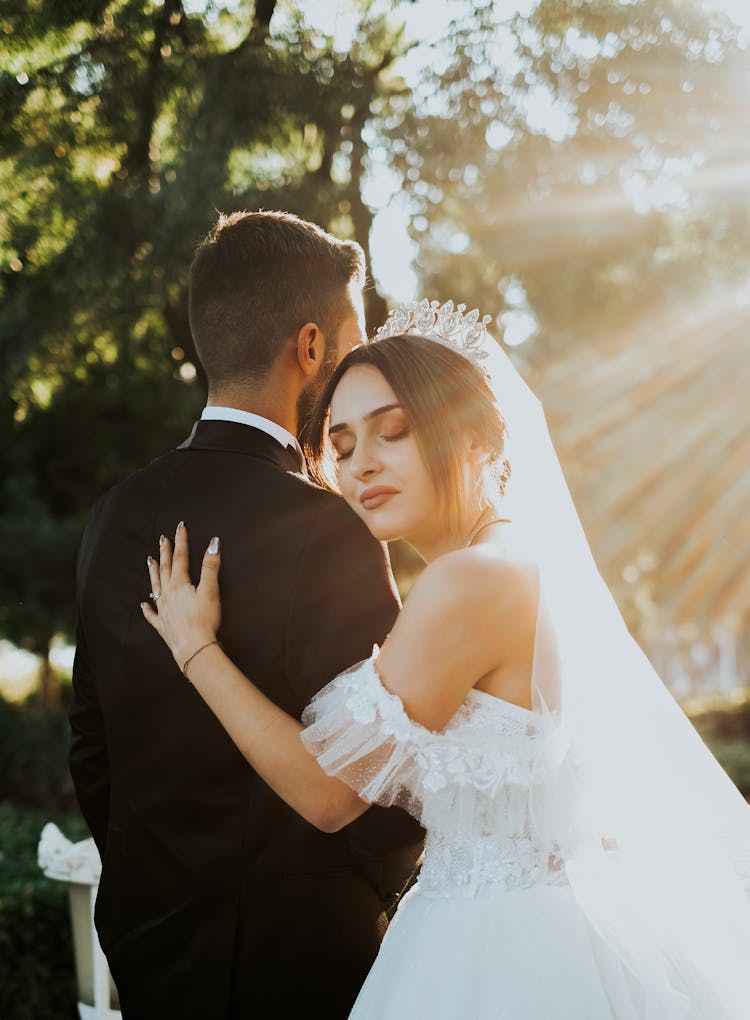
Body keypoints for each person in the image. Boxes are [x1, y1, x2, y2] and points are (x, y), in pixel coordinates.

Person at [140, 299, 750, 1018]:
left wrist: (196, 646)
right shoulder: (509, 562)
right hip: (519, 928)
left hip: (506, 955)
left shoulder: (472, 579)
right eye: (339, 447)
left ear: (476, 441)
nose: (361, 464)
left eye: (391, 432)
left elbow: (329, 794)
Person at [69, 210, 423, 1020]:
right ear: (309, 349)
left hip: (148, 948)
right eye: (351, 344)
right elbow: (383, 776)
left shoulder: (112, 518)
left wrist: (149, 889)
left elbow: (93, 748)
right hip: (302, 957)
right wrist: (364, 899)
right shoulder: (329, 528)